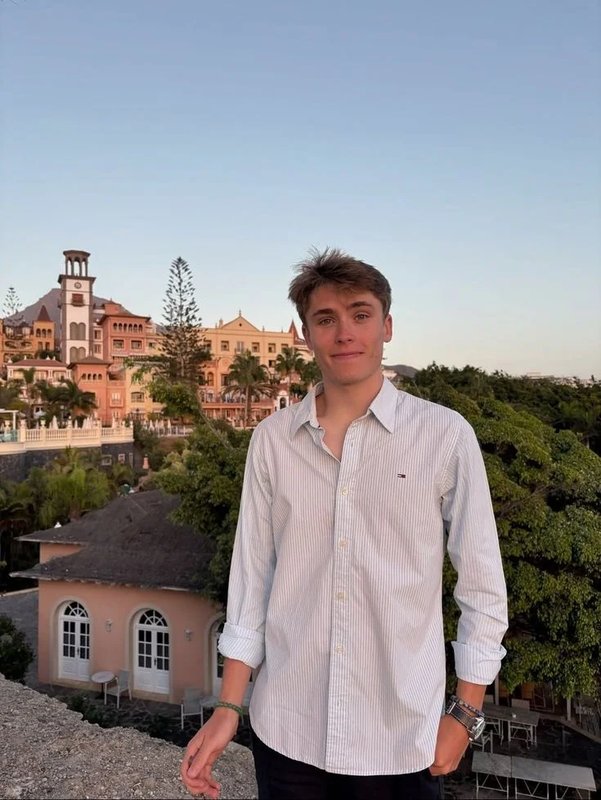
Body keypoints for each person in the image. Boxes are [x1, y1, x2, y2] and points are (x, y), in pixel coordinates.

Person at [181, 248, 507, 800]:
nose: (344, 333)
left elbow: (481, 585)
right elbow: (252, 579)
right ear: (307, 335)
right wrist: (229, 706)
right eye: (326, 319)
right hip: (288, 731)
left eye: (360, 314)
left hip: (401, 736)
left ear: (387, 326)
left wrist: (465, 713)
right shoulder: (272, 441)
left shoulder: (445, 436)